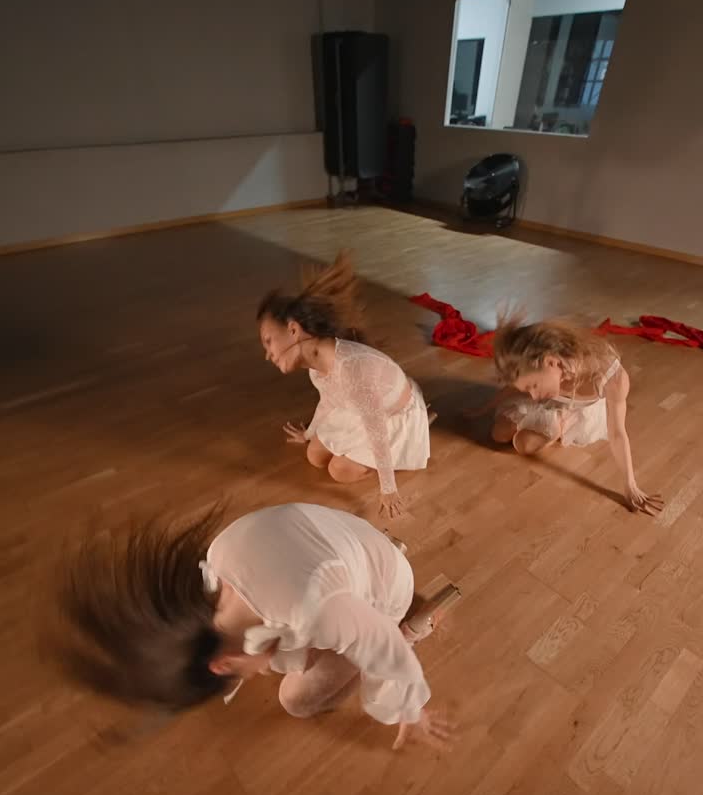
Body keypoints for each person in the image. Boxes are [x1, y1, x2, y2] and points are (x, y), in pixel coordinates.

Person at [55, 502, 449, 750]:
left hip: (382, 586)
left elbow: (385, 651)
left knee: (296, 701)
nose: (249, 676)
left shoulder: (314, 610)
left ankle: (412, 623)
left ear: (222, 665)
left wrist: (408, 710)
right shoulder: (217, 558)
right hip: (342, 546)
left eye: (235, 676)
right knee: (285, 660)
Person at [257, 252, 431, 519]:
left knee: (339, 471)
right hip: (359, 407)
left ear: (293, 330)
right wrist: (307, 434)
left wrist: (388, 487)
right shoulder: (316, 364)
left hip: (390, 419)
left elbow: (377, 432)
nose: (267, 354)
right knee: (314, 455)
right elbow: (329, 400)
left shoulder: (352, 369)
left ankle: (407, 443)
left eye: (269, 341)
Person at [491, 314, 663, 515]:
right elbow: (517, 386)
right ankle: (550, 420)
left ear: (552, 362)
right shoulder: (541, 367)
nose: (533, 395)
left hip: (581, 411)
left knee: (523, 444)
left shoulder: (612, 377)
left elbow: (617, 433)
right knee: (498, 434)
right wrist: (483, 407)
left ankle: (560, 425)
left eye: (534, 386)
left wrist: (630, 484)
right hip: (554, 396)